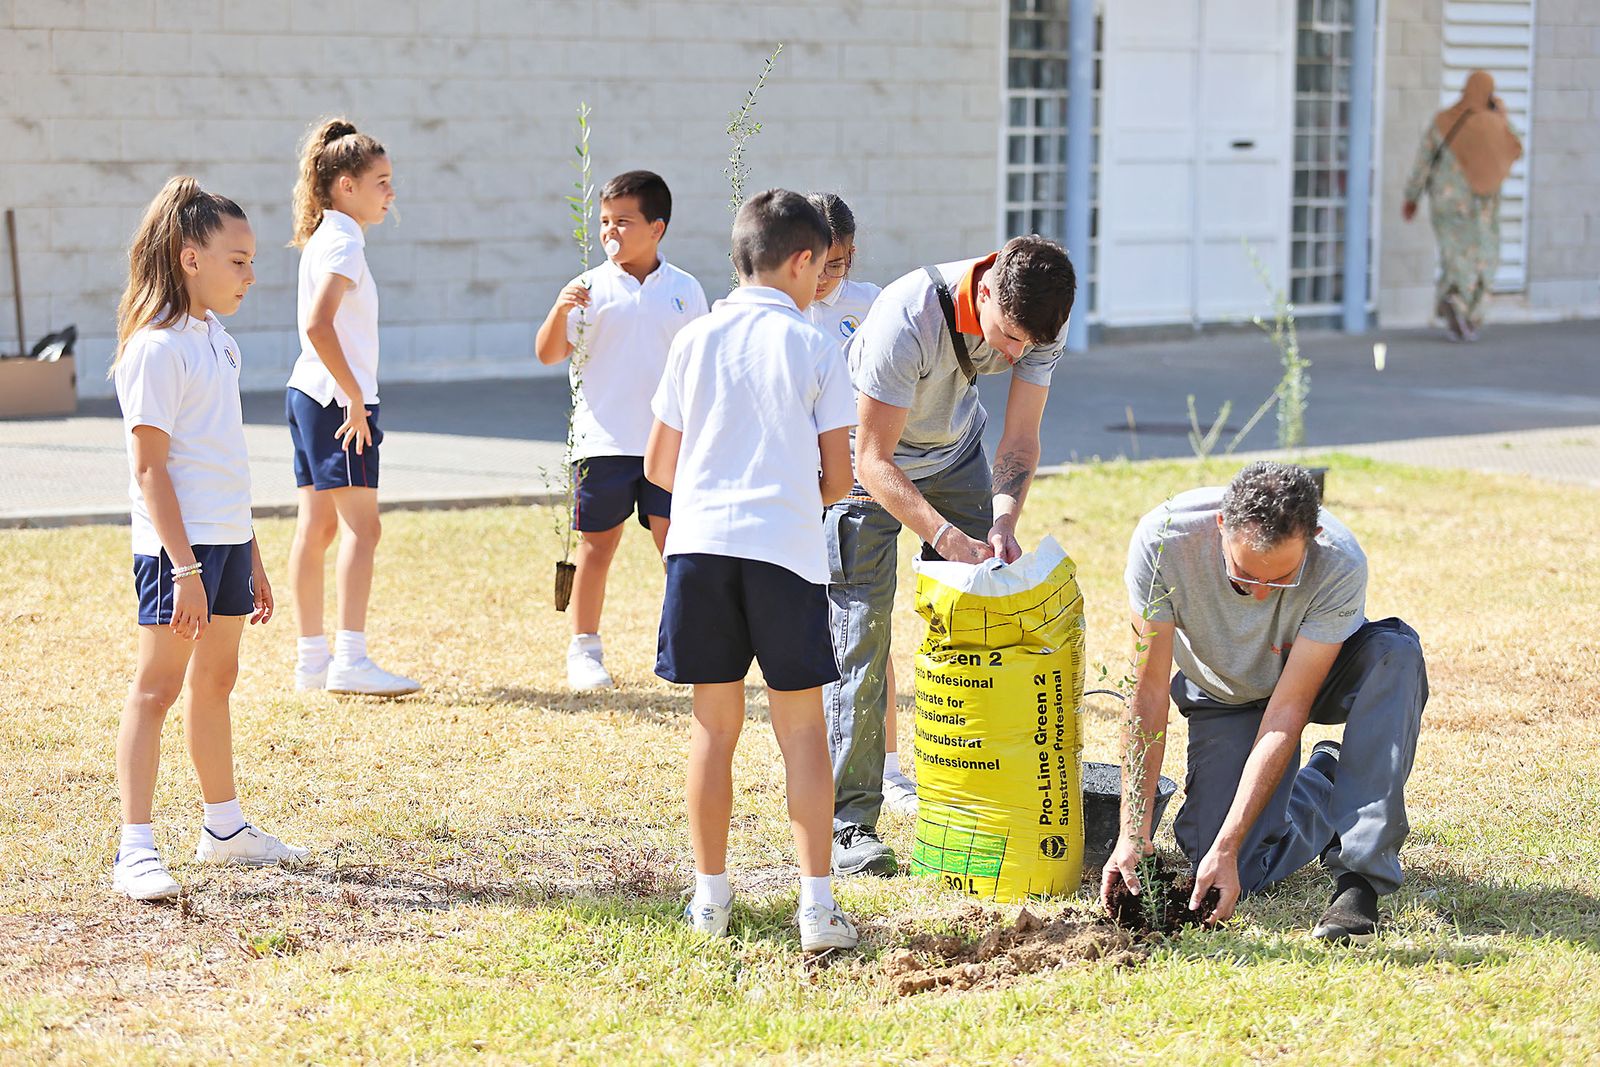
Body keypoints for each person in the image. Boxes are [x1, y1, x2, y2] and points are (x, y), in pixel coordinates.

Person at [645, 189, 860, 952]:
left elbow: (656, 465)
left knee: (714, 727)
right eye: (820, 267)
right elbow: (841, 475)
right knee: (802, 731)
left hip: (700, 548)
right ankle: (817, 908)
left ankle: (709, 900)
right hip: (785, 550)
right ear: (802, 260)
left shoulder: (694, 338)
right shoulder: (814, 346)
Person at [824, 234, 1076, 877]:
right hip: (869, 470)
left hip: (955, 453)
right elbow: (870, 461)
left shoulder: (1041, 315)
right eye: (1010, 337)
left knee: (993, 608)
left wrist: (1002, 519)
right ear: (984, 289)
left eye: (1030, 344)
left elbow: (1020, 439)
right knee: (862, 634)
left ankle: (982, 794)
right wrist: (943, 537)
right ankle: (849, 823)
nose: (1017, 353)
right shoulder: (906, 319)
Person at [1102, 462, 1428, 944]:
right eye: (1242, 578)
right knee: (1232, 870)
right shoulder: (1164, 540)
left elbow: (1288, 709)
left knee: (1395, 657)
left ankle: (1360, 879)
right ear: (1220, 528)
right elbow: (1147, 691)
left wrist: (1229, 843)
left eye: (1280, 581)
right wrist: (1134, 829)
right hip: (1226, 691)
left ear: (1313, 537)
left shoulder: (1338, 561)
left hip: (1313, 676)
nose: (1258, 595)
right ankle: (1324, 782)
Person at [109, 177, 309, 901]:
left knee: (215, 683)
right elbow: (150, 469)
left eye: (252, 261)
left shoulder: (217, 342)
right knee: (157, 687)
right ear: (190, 258)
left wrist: (248, 552)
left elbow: (223, 457)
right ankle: (135, 848)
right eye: (239, 260)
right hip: (179, 552)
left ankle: (223, 827)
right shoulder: (156, 349)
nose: (251, 276)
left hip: (224, 546)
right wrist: (186, 566)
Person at [536, 170, 709, 690]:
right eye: (605, 222)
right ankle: (584, 650)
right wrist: (559, 308)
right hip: (602, 441)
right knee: (596, 546)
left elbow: (701, 364)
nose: (611, 232)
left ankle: (690, 644)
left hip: (669, 443)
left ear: (657, 228)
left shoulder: (685, 290)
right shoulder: (586, 288)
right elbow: (548, 353)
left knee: (678, 545)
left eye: (624, 222)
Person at [284, 118, 419, 696]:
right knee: (363, 531)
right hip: (336, 402)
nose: (391, 193)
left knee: (315, 528)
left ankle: (313, 661)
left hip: (308, 394)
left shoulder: (328, 236)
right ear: (345, 185)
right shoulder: (343, 240)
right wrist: (357, 399)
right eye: (382, 182)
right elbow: (318, 325)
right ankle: (348, 660)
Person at [802, 192, 915, 817]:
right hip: (797, 482)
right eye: (819, 262)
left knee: (864, 625)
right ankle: (820, 756)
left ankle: (888, 766)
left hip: (860, 483)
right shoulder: (778, 307)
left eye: (839, 263)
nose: (826, 277)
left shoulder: (874, 306)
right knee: (814, 625)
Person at [1402, 70, 1523, 342]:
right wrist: (1501, 114)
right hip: (1482, 206)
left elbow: (1423, 162)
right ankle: (1465, 311)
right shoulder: (1495, 124)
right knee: (1484, 257)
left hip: (1446, 204)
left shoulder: (1443, 121)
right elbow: (1516, 147)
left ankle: (1454, 303)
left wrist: (1411, 198)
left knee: (1454, 255)